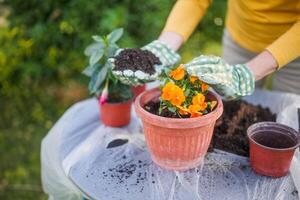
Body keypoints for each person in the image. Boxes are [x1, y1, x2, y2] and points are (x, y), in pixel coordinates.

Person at [113, 0, 300, 99]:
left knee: (287, 123)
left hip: (294, 52)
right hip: (240, 36)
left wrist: (250, 72)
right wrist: (165, 45)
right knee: (230, 110)